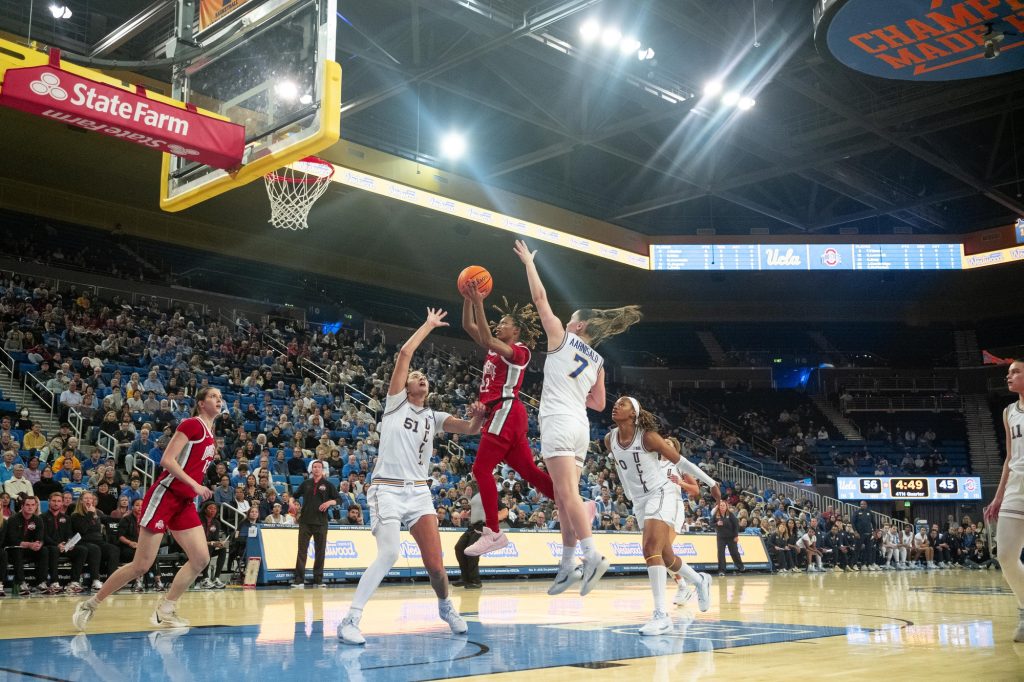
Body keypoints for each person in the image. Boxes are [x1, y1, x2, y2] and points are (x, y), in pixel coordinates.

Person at [338, 308, 486, 645]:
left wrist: (478, 417)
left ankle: (446, 606)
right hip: (387, 490)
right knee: (389, 553)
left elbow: (468, 430)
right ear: (405, 385)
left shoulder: (434, 416)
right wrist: (429, 325)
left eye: (424, 376)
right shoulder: (394, 404)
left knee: (436, 565)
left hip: (419, 492)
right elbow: (405, 353)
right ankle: (350, 619)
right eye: (415, 376)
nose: (420, 377)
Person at [513, 239, 641, 596]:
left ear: (580, 327)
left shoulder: (562, 339)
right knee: (563, 494)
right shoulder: (598, 362)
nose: (565, 322)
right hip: (580, 427)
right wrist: (575, 390)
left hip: (557, 420)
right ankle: (567, 565)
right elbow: (599, 404)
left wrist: (529, 263)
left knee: (566, 494)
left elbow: (540, 300)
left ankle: (592, 554)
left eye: (571, 320)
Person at [72, 387, 222, 631]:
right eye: (213, 396)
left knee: (201, 558)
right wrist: (196, 485)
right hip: (165, 496)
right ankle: (91, 604)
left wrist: (195, 487)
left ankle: (166, 609)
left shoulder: (210, 432)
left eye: (220, 397)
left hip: (183, 502)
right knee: (141, 565)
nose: (219, 400)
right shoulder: (192, 424)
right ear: (201, 403)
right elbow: (167, 460)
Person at [606, 397, 719, 635]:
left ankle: (661, 615)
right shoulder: (610, 440)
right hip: (639, 501)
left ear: (634, 413)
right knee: (666, 555)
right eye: (616, 403)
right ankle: (699, 581)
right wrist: (628, 494)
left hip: (661, 492)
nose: (616, 405)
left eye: (623, 404)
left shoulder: (648, 437)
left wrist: (711, 483)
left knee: (650, 549)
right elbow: (620, 468)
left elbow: (682, 461)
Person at [459, 283, 555, 556]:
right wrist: (468, 299)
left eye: (503, 323)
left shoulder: (521, 351)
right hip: (502, 414)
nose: (498, 325)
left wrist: (479, 301)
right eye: (498, 322)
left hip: (507, 410)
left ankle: (493, 532)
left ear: (517, 331)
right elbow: (468, 325)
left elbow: (489, 339)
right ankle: (571, 504)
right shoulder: (494, 349)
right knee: (530, 472)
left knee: (480, 470)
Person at [984, 358, 1024, 642]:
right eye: (1008, 373)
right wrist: (998, 496)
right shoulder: (1009, 411)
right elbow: (1009, 458)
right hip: (1016, 487)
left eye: (1015, 372)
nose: (1009, 377)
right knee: (1006, 556)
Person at [291, 460, 338, 587]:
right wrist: (291, 502)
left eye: (319, 467)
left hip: (321, 522)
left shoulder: (328, 485)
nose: (316, 469)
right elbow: (294, 495)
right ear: (311, 469)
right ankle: (299, 580)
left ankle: (318, 580)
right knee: (302, 551)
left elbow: (338, 499)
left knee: (320, 551)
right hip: (305, 521)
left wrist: (329, 503)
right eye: (314, 467)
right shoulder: (306, 483)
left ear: (322, 470)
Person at [6, 496, 58, 595]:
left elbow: (40, 538)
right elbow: (12, 540)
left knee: (44, 550)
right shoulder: (13, 519)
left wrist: (38, 544)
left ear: (36, 506)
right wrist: (29, 544)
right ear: (22, 506)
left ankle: (41, 582)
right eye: (27, 505)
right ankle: (21, 583)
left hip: (30, 549)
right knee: (18, 550)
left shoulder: (38, 520)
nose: (30, 507)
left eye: (33, 505)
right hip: (14, 549)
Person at [70, 492, 121, 589]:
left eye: (91, 498)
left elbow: (109, 520)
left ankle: (111, 581)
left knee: (114, 549)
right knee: (95, 549)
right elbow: (82, 530)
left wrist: (123, 518)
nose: (89, 500)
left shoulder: (98, 513)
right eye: (86, 498)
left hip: (98, 541)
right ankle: (95, 579)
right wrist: (89, 513)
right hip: (84, 542)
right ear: (81, 501)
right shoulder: (75, 515)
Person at [117, 498, 164, 592]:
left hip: (144, 546)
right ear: (132, 507)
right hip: (128, 547)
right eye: (137, 505)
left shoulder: (148, 519)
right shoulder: (126, 519)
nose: (140, 507)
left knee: (152, 554)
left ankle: (157, 581)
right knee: (139, 553)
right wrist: (130, 543)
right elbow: (120, 536)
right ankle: (138, 581)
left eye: (142, 505)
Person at [454, 483, 493, 590]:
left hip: (482, 526)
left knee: (471, 552)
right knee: (459, 547)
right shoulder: (477, 497)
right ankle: (465, 578)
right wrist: (469, 511)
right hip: (472, 527)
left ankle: (475, 580)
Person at [712, 500, 744, 576]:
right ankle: (722, 570)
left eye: (723, 505)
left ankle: (741, 567)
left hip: (731, 537)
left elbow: (736, 525)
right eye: (720, 505)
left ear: (726, 506)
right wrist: (717, 523)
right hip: (721, 537)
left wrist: (736, 536)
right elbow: (711, 523)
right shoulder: (716, 515)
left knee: (734, 553)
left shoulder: (730, 514)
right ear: (718, 507)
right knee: (721, 554)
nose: (722, 507)